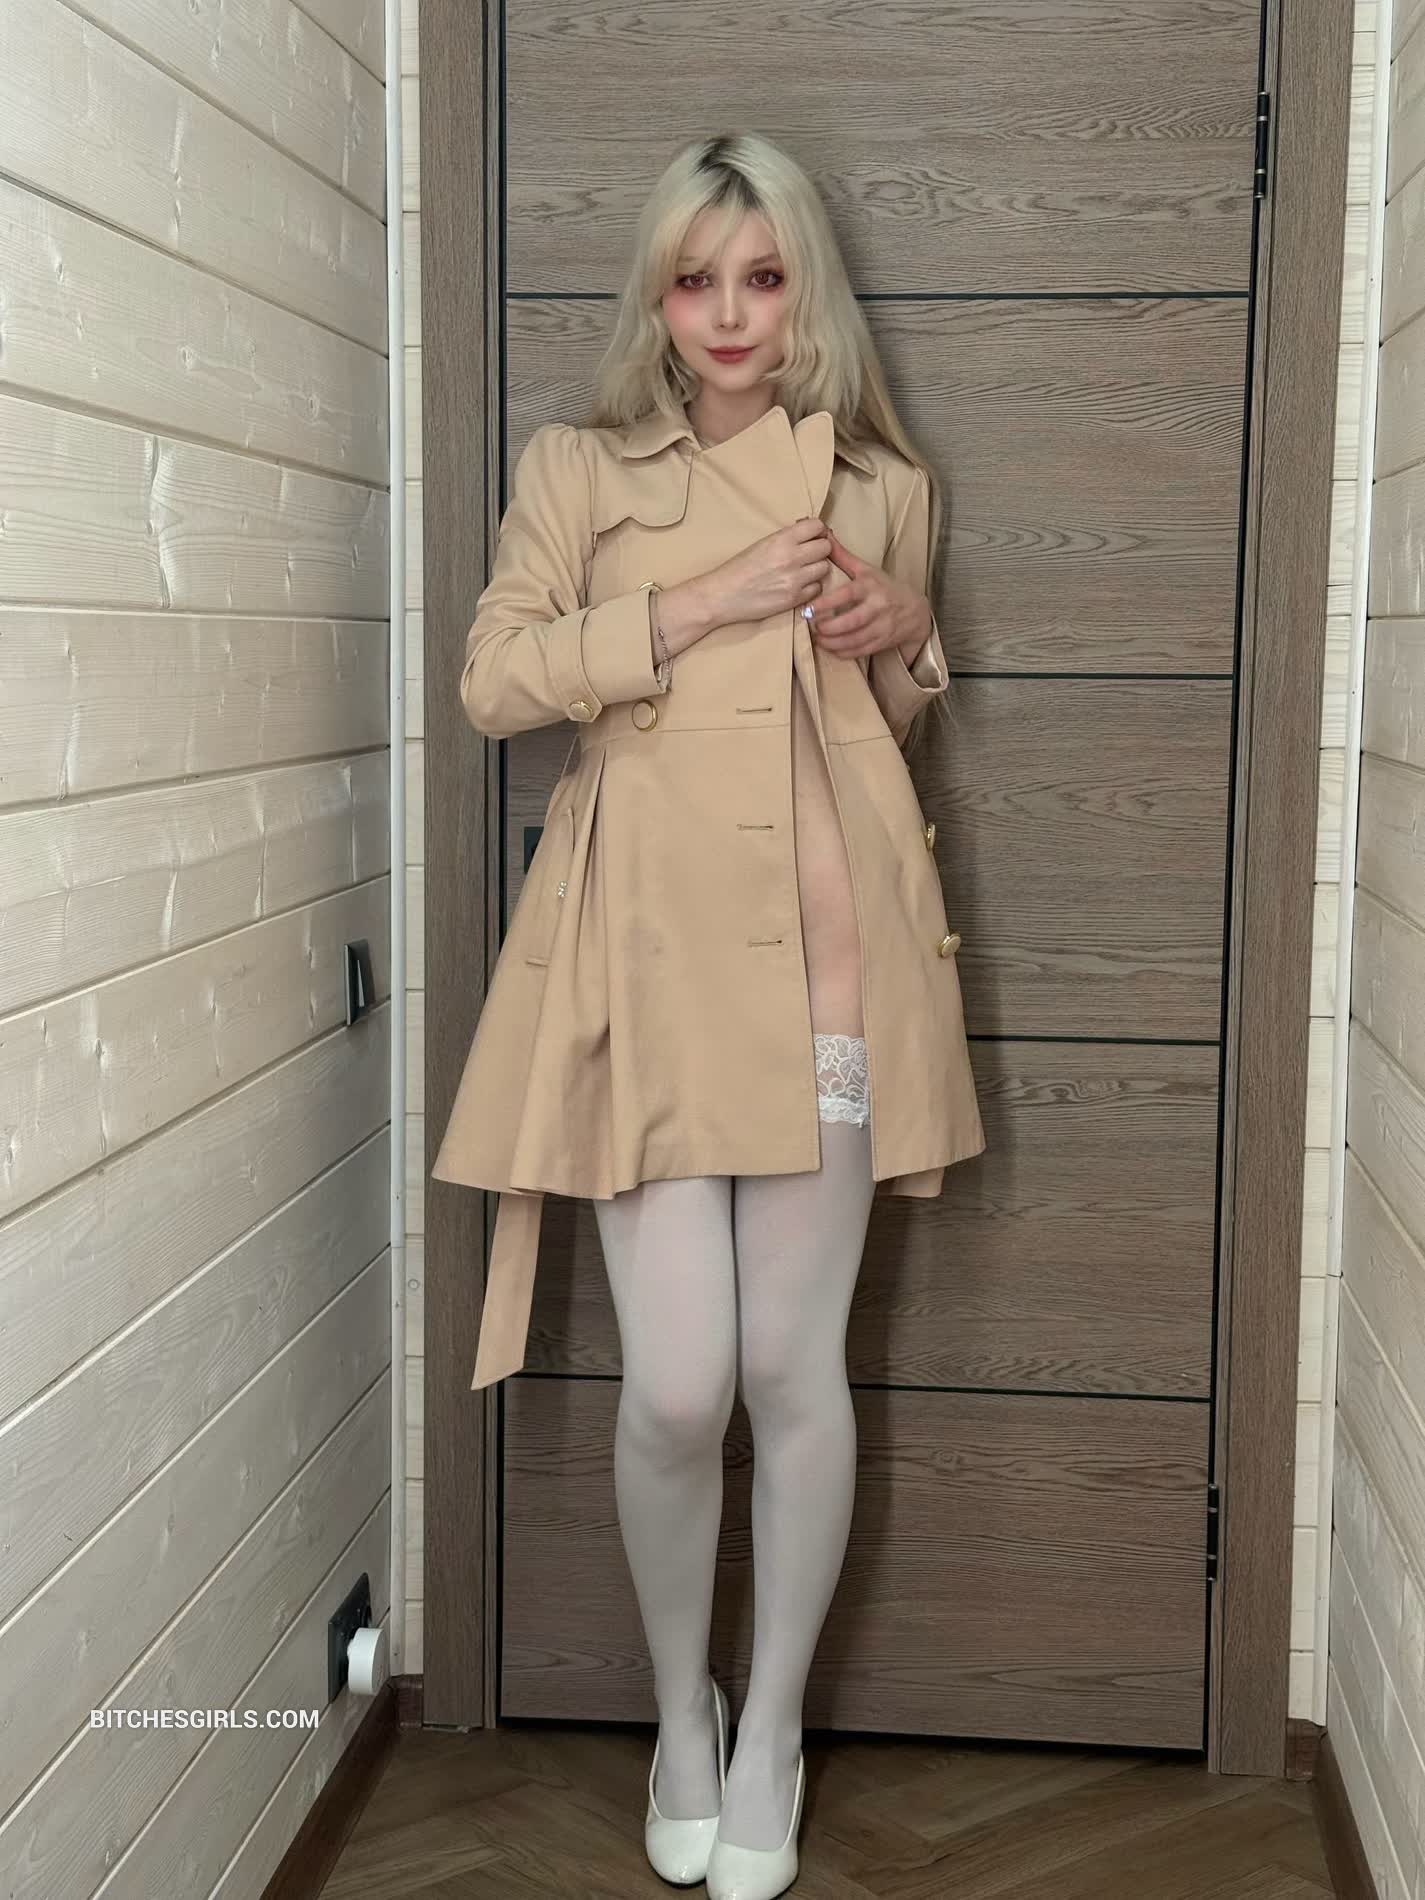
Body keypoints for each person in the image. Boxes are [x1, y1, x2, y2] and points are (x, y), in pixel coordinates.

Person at [430, 130, 986, 1900]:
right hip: (649, 968)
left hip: (827, 963)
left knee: (788, 1372)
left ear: (802, 288)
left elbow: (889, 719)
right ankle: (682, 1708)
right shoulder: (576, 468)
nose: (730, 315)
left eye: (761, 278)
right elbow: (494, 679)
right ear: (655, 296)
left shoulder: (880, 479)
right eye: (694, 280)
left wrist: (903, 628)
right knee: (676, 1388)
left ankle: (770, 1736)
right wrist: (691, 605)